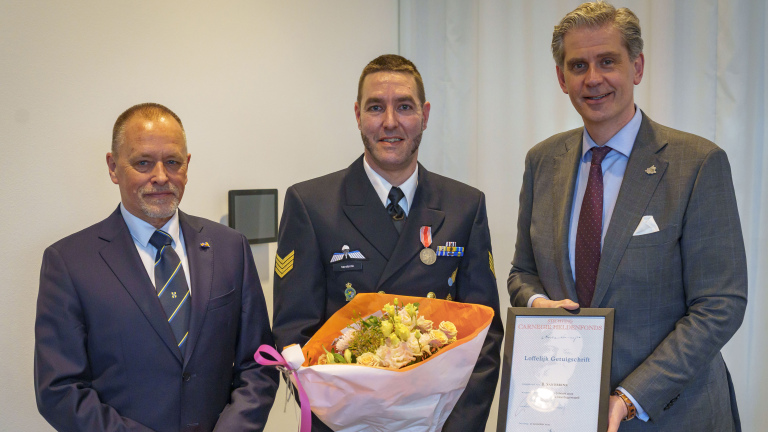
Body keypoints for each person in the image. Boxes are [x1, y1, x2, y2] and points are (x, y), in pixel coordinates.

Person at [508, 2, 747, 431]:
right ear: (561, 78)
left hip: (675, 415)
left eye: (607, 61)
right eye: (578, 65)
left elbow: (720, 305)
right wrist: (538, 304)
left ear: (636, 67)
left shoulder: (697, 163)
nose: (592, 78)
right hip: (567, 410)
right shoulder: (541, 161)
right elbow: (522, 273)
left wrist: (629, 397)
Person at [272, 54, 503, 431]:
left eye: (405, 107)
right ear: (357, 115)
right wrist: (347, 419)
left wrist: (454, 427)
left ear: (425, 115)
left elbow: (484, 336)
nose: (390, 122)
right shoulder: (311, 204)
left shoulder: (465, 205)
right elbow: (295, 337)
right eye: (376, 107)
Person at [34, 103, 279, 432]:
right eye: (143, 162)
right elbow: (60, 390)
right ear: (113, 167)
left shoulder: (230, 247)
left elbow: (259, 364)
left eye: (173, 162)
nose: (161, 176)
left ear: (187, 166)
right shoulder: (69, 262)